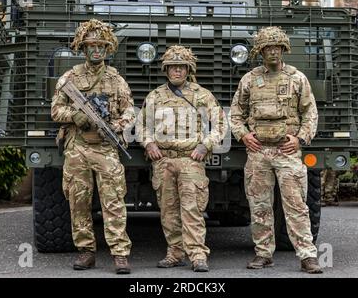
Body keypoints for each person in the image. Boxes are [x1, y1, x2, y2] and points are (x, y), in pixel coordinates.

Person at [230, 26, 322, 274]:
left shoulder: (297, 78)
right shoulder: (249, 80)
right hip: (258, 153)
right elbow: (236, 114)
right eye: (267, 48)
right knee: (259, 206)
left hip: (287, 152)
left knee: (296, 205)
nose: (272, 52)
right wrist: (243, 135)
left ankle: (307, 255)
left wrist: (300, 138)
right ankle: (263, 253)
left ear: (283, 50)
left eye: (276, 48)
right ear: (260, 52)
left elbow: (310, 113)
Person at [51, 19, 134, 274]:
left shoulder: (116, 80)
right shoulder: (70, 77)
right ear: (83, 49)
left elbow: (130, 110)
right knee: (79, 201)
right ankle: (86, 252)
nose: (96, 50)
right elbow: (56, 110)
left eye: (101, 46)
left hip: (106, 148)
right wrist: (75, 116)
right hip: (77, 147)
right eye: (91, 46)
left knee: (113, 202)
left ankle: (120, 254)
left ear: (107, 50)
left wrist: (116, 125)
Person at [137, 45, 226, 272]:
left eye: (182, 67)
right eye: (173, 67)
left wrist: (205, 145)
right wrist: (148, 143)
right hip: (164, 161)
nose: (177, 71)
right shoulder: (155, 96)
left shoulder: (202, 95)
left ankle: (197, 255)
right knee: (168, 211)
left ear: (188, 70)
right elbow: (141, 125)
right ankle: (175, 252)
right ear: (166, 70)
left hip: (190, 160)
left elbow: (220, 125)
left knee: (192, 209)